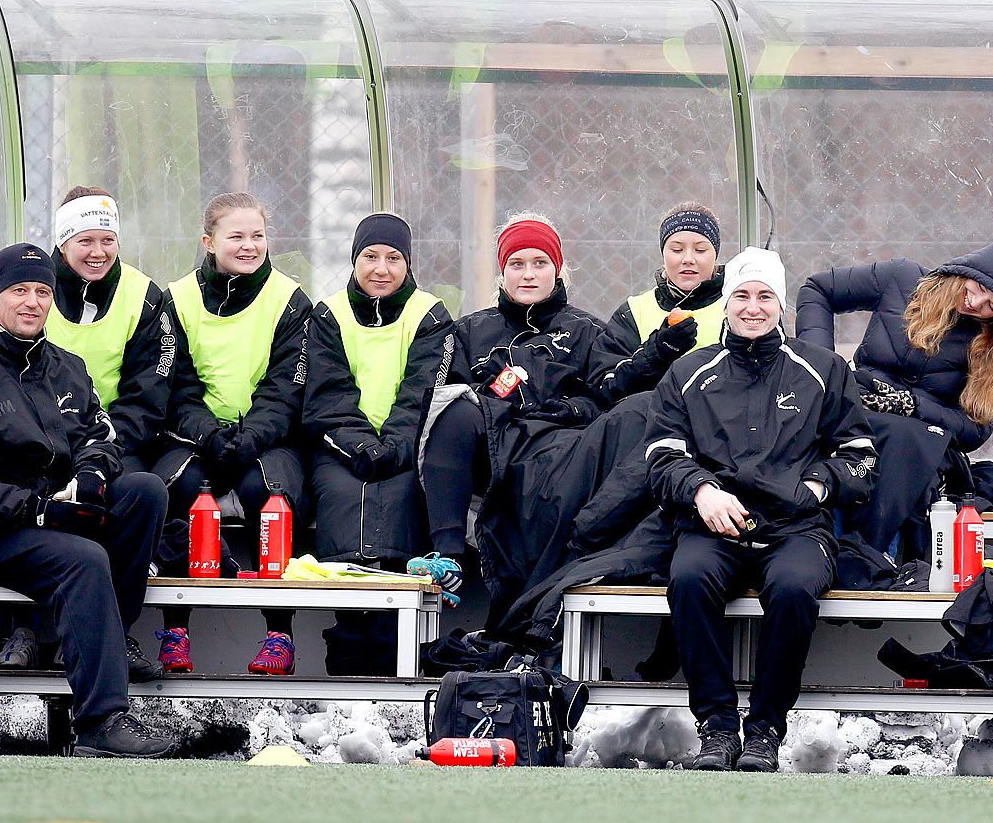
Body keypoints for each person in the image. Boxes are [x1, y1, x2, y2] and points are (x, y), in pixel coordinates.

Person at [0, 243, 174, 757]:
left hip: (57, 512)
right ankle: (100, 725)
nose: (32, 302)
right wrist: (40, 507)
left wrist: (89, 479)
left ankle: (105, 640)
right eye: (19, 290)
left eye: (42, 291)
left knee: (145, 491)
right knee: (85, 560)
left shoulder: (66, 366)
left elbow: (102, 439)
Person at [645, 246, 878, 772]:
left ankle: (766, 730)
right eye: (742, 296)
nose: (753, 307)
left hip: (796, 529)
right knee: (688, 578)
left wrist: (818, 487)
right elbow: (660, 457)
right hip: (711, 527)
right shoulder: (688, 372)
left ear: (781, 307)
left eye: (765, 296)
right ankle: (719, 729)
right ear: (725, 304)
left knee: (795, 587)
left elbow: (860, 457)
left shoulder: (822, 370)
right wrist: (703, 491)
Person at [417, 213, 626, 621]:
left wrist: (569, 408)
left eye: (539, 263)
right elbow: (437, 403)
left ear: (558, 268)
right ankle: (447, 555)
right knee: (453, 408)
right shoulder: (468, 331)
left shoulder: (588, 331)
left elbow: (609, 400)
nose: (527, 275)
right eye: (517, 264)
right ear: (502, 273)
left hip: (557, 467)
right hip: (485, 463)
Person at [152, 192, 312, 676]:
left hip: (267, 439)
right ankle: (175, 630)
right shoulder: (174, 299)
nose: (249, 246)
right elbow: (172, 384)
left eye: (258, 236)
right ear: (209, 241)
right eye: (236, 236)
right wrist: (208, 435)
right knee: (175, 489)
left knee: (270, 495)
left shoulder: (290, 299)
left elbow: (288, 388)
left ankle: (279, 636)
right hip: (193, 439)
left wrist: (248, 439)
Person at [796, 236, 993, 563]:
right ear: (967, 270)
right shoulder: (903, 279)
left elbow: (974, 430)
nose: (976, 303)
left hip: (923, 444)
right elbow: (818, 289)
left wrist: (912, 405)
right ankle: (841, 556)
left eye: (990, 306)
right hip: (861, 410)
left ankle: (866, 559)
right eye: (977, 288)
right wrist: (822, 371)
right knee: (837, 438)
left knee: (903, 440)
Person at [302, 213, 455, 674]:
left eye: (393, 258)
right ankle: (347, 637)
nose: (381, 269)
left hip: (408, 447)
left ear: (408, 265)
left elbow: (425, 392)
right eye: (370, 256)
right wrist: (360, 446)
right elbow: (326, 393)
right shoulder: (328, 314)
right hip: (342, 448)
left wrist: (391, 447)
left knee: (402, 493)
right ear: (354, 261)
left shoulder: (429, 313)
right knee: (342, 494)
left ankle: (391, 637)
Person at [47, 187, 176, 474]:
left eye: (108, 240)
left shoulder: (143, 296)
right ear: (63, 243)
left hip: (115, 443)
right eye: (85, 240)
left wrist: (99, 445)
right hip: (41, 442)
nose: (98, 252)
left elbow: (147, 395)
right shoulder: (35, 289)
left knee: (143, 489)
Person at [597, 203, 726, 402]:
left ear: (715, 254)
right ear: (663, 253)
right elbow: (606, 387)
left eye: (700, 250)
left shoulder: (739, 306)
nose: (688, 259)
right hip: (650, 424)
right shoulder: (635, 311)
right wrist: (658, 353)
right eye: (676, 250)